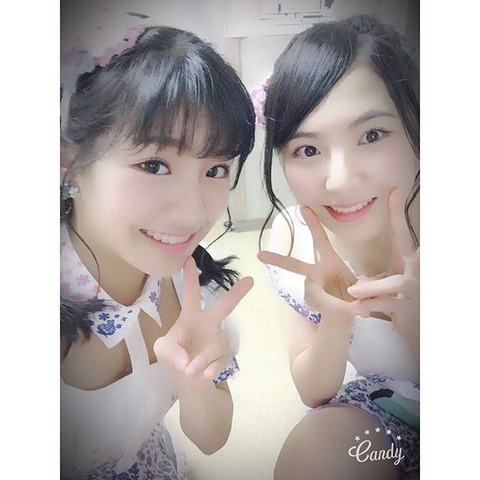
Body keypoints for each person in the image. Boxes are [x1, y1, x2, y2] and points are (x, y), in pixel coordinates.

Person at [60, 13, 256, 480]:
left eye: (215, 170)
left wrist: (195, 383)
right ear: (70, 164)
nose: (193, 213)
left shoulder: (193, 287)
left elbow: (211, 438)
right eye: (154, 165)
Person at [257, 14, 420, 480]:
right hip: (390, 412)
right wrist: (335, 317)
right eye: (308, 150)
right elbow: (313, 391)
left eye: (372, 135)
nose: (340, 181)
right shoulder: (293, 238)